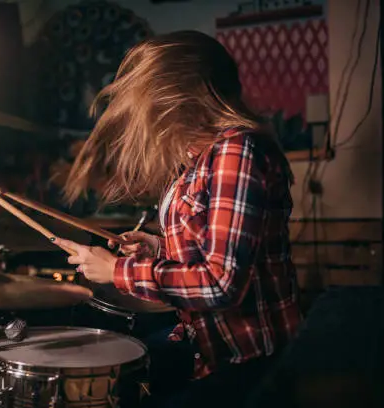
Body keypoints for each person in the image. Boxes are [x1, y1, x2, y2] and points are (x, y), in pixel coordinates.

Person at [53, 30, 302, 408]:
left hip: (249, 359)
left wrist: (118, 271)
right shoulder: (198, 157)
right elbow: (203, 245)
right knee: (127, 367)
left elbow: (221, 284)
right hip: (207, 346)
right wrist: (154, 245)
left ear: (180, 97)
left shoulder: (236, 151)